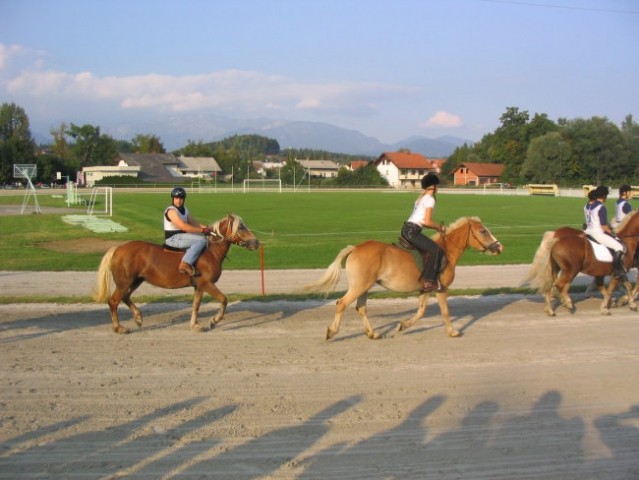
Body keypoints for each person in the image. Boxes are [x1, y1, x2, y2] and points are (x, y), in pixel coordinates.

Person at [401, 172, 446, 292]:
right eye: (437, 185)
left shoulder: (422, 197)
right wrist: (439, 228)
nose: (438, 187)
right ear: (433, 186)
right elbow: (427, 222)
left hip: (407, 229)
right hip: (413, 231)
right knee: (437, 250)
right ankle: (428, 282)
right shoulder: (429, 199)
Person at [164, 187, 211, 276]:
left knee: (204, 240)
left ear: (184, 199)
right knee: (201, 241)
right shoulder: (171, 211)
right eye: (176, 198)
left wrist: (208, 228)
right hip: (173, 238)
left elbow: (193, 222)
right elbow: (184, 227)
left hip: (181, 236)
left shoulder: (184, 209)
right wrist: (202, 230)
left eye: (181, 198)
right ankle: (185, 264)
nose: (178, 201)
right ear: (173, 198)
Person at [584, 185, 626, 279]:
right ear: (604, 196)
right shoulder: (601, 207)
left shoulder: (587, 205)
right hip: (597, 233)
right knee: (619, 247)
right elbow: (604, 226)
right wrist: (612, 233)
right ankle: (616, 271)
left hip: (587, 231)